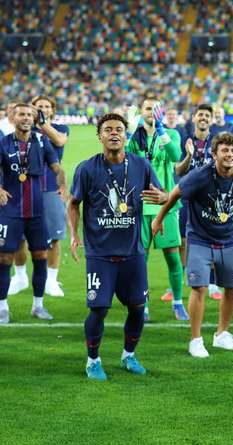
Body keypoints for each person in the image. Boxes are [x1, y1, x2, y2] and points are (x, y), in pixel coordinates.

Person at [68, 113, 168, 380]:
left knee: (137, 307)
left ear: (126, 135)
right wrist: (73, 235)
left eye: (119, 129)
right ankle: (93, 360)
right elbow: (73, 203)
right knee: (98, 309)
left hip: (133, 252)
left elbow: (162, 195)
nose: (114, 133)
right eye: (108, 129)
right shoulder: (86, 169)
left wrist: (162, 200)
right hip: (100, 254)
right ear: (99, 136)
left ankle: (128, 355)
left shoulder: (141, 165)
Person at [152, 132, 233, 358]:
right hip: (200, 238)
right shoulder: (200, 175)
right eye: (224, 150)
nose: (229, 154)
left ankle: (222, 334)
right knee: (199, 288)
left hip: (228, 239)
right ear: (214, 154)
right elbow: (175, 194)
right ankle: (195, 340)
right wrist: (158, 219)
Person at [0, 103, 65, 323]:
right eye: (22, 114)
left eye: (30, 114)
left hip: (36, 209)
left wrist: (62, 183)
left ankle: (38, 305)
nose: (26, 118)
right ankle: (2, 307)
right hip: (10, 209)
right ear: (13, 117)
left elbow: (56, 165)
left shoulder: (41, 140)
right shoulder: (3, 142)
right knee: (5, 257)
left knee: (40, 256)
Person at [126, 95, 186, 322]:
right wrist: (131, 130)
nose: (151, 112)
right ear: (141, 112)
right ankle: (145, 304)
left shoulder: (171, 134)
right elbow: (122, 154)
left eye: (155, 109)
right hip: (140, 206)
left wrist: (160, 129)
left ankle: (178, 302)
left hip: (166, 205)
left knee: (173, 258)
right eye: (147, 108)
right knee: (141, 260)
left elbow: (176, 156)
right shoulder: (135, 136)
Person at [175, 103, 222, 301]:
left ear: (211, 120)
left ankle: (211, 282)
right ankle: (187, 275)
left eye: (206, 115)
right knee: (183, 240)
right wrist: (189, 155)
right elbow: (178, 170)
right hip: (187, 197)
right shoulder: (184, 141)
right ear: (193, 118)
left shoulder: (217, 142)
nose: (203, 118)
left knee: (212, 241)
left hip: (210, 199)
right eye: (200, 115)